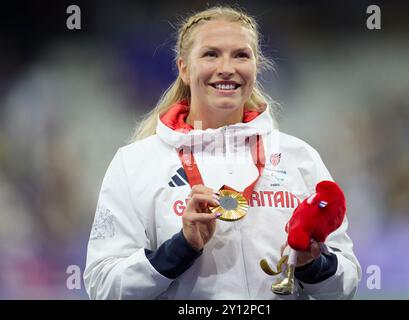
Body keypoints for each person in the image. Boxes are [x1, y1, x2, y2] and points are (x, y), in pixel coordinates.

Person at [83, 6, 361, 300]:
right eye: (211, 54)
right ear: (184, 69)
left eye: (241, 55)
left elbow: (346, 285)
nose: (227, 67)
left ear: (256, 67)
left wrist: (311, 265)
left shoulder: (298, 157)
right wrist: (180, 249)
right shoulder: (135, 163)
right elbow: (104, 286)